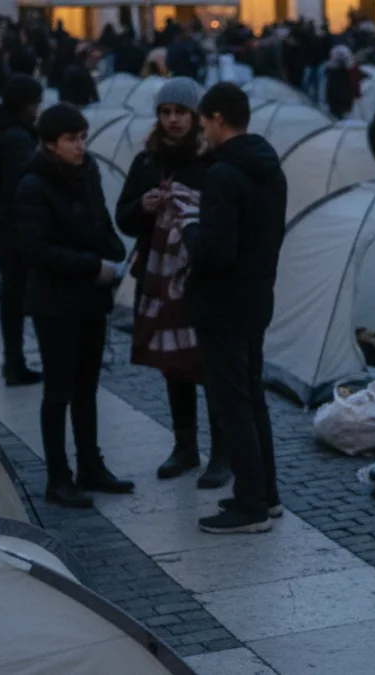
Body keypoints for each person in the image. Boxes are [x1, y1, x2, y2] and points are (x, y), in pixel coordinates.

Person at [16, 104, 134, 508]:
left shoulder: (88, 172)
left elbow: (100, 222)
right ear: (50, 143)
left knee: (87, 388)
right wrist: (91, 266)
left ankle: (90, 465)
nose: (80, 146)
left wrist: (116, 251)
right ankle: (58, 476)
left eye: (83, 137)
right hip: (55, 303)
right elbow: (35, 250)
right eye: (71, 139)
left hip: (90, 299)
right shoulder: (34, 185)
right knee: (58, 391)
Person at [115, 77, 231, 487]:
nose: (173, 120)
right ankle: (185, 446)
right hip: (158, 276)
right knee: (173, 365)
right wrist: (143, 207)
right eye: (166, 112)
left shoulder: (211, 161)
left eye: (181, 112)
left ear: (196, 116)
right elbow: (124, 216)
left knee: (207, 363)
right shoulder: (148, 161)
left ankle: (222, 453)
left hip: (199, 276)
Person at [186, 83, 286, 534]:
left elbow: (217, 250)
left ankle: (250, 507)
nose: (201, 130)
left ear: (217, 118)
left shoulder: (223, 174)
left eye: (202, 121)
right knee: (252, 398)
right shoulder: (269, 167)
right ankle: (266, 495)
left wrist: (189, 230)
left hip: (222, 303)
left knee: (233, 405)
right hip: (257, 295)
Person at [0, 75, 43, 386]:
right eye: (34, 103)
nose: (37, 109)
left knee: (13, 291)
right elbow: (21, 187)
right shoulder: (17, 139)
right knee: (22, 291)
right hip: (12, 222)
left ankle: (13, 360)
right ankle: (16, 362)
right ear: (24, 104)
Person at [324, 44, 359, 119]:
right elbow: (354, 83)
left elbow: (329, 87)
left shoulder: (331, 72)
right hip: (344, 100)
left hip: (337, 101)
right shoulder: (350, 71)